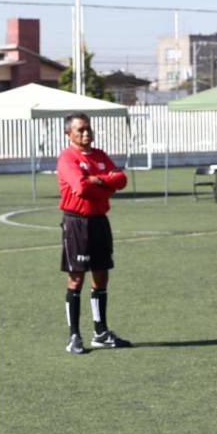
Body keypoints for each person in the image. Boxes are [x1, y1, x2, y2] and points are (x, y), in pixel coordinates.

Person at [57, 112, 132, 354]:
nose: (86, 133)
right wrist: (105, 182)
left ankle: (100, 332)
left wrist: (98, 181)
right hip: (77, 223)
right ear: (69, 134)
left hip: (100, 221)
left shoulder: (99, 155)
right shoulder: (67, 158)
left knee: (101, 277)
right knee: (76, 279)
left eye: (88, 129)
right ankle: (74, 337)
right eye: (80, 130)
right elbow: (80, 187)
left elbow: (121, 180)